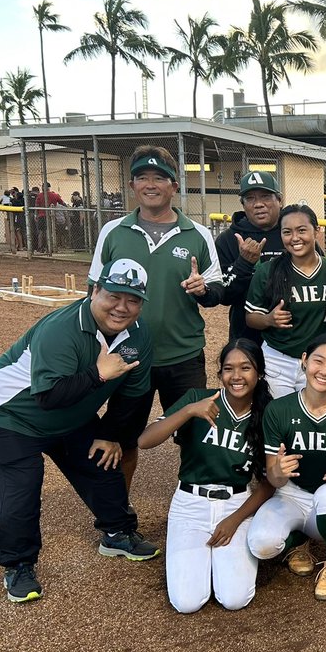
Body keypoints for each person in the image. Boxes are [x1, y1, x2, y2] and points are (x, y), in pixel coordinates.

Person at [0, 258, 161, 603]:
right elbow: (49, 396)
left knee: (103, 461)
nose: (122, 307)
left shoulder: (139, 335)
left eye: (132, 300)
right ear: (94, 290)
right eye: (113, 295)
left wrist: (111, 434)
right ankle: (18, 563)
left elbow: (135, 393)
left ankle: (117, 533)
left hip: (70, 414)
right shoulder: (62, 328)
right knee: (23, 485)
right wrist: (99, 374)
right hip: (7, 415)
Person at [89, 145, 224, 492]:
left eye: (160, 178)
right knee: (123, 438)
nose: (151, 184)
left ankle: (196, 505)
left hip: (183, 355)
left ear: (174, 185)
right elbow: (93, 295)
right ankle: (118, 513)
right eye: (143, 177)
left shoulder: (197, 234)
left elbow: (216, 292)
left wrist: (202, 290)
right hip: (129, 357)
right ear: (132, 184)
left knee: (196, 435)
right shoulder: (114, 231)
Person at [137, 339, 274, 614]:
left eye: (246, 368)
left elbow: (269, 483)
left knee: (235, 599)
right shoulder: (197, 399)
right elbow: (145, 441)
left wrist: (234, 520)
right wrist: (189, 411)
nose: (236, 376)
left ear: (258, 373)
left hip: (237, 504)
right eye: (228, 368)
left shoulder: (268, 414)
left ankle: (218, 562)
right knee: (187, 603)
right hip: (190, 503)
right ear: (220, 373)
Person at [247, 334, 326, 601]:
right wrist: (279, 472)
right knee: (261, 545)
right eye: (318, 361)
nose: (325, 371)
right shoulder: (279, 409)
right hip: (290, 494)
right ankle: (297, 542)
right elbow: (273, 476)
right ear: (304, 361)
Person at [244, 204, 326, 397]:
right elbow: (251, 317)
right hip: (278, 359)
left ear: (316, 231)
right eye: (287, 232)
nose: (294, 238)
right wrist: (268, 319)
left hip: (319, 360)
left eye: (302, 230)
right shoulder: (268, 270)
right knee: (279, 418)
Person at [215, 171, 285, 344]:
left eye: (266, 197)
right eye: (250, 198)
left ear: (280, 200)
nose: (258, 204)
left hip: (292, 337)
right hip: (247, 337)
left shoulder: (293, 233)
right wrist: (244, 263)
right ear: (243, 205)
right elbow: (224, 296)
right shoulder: (229, 239)